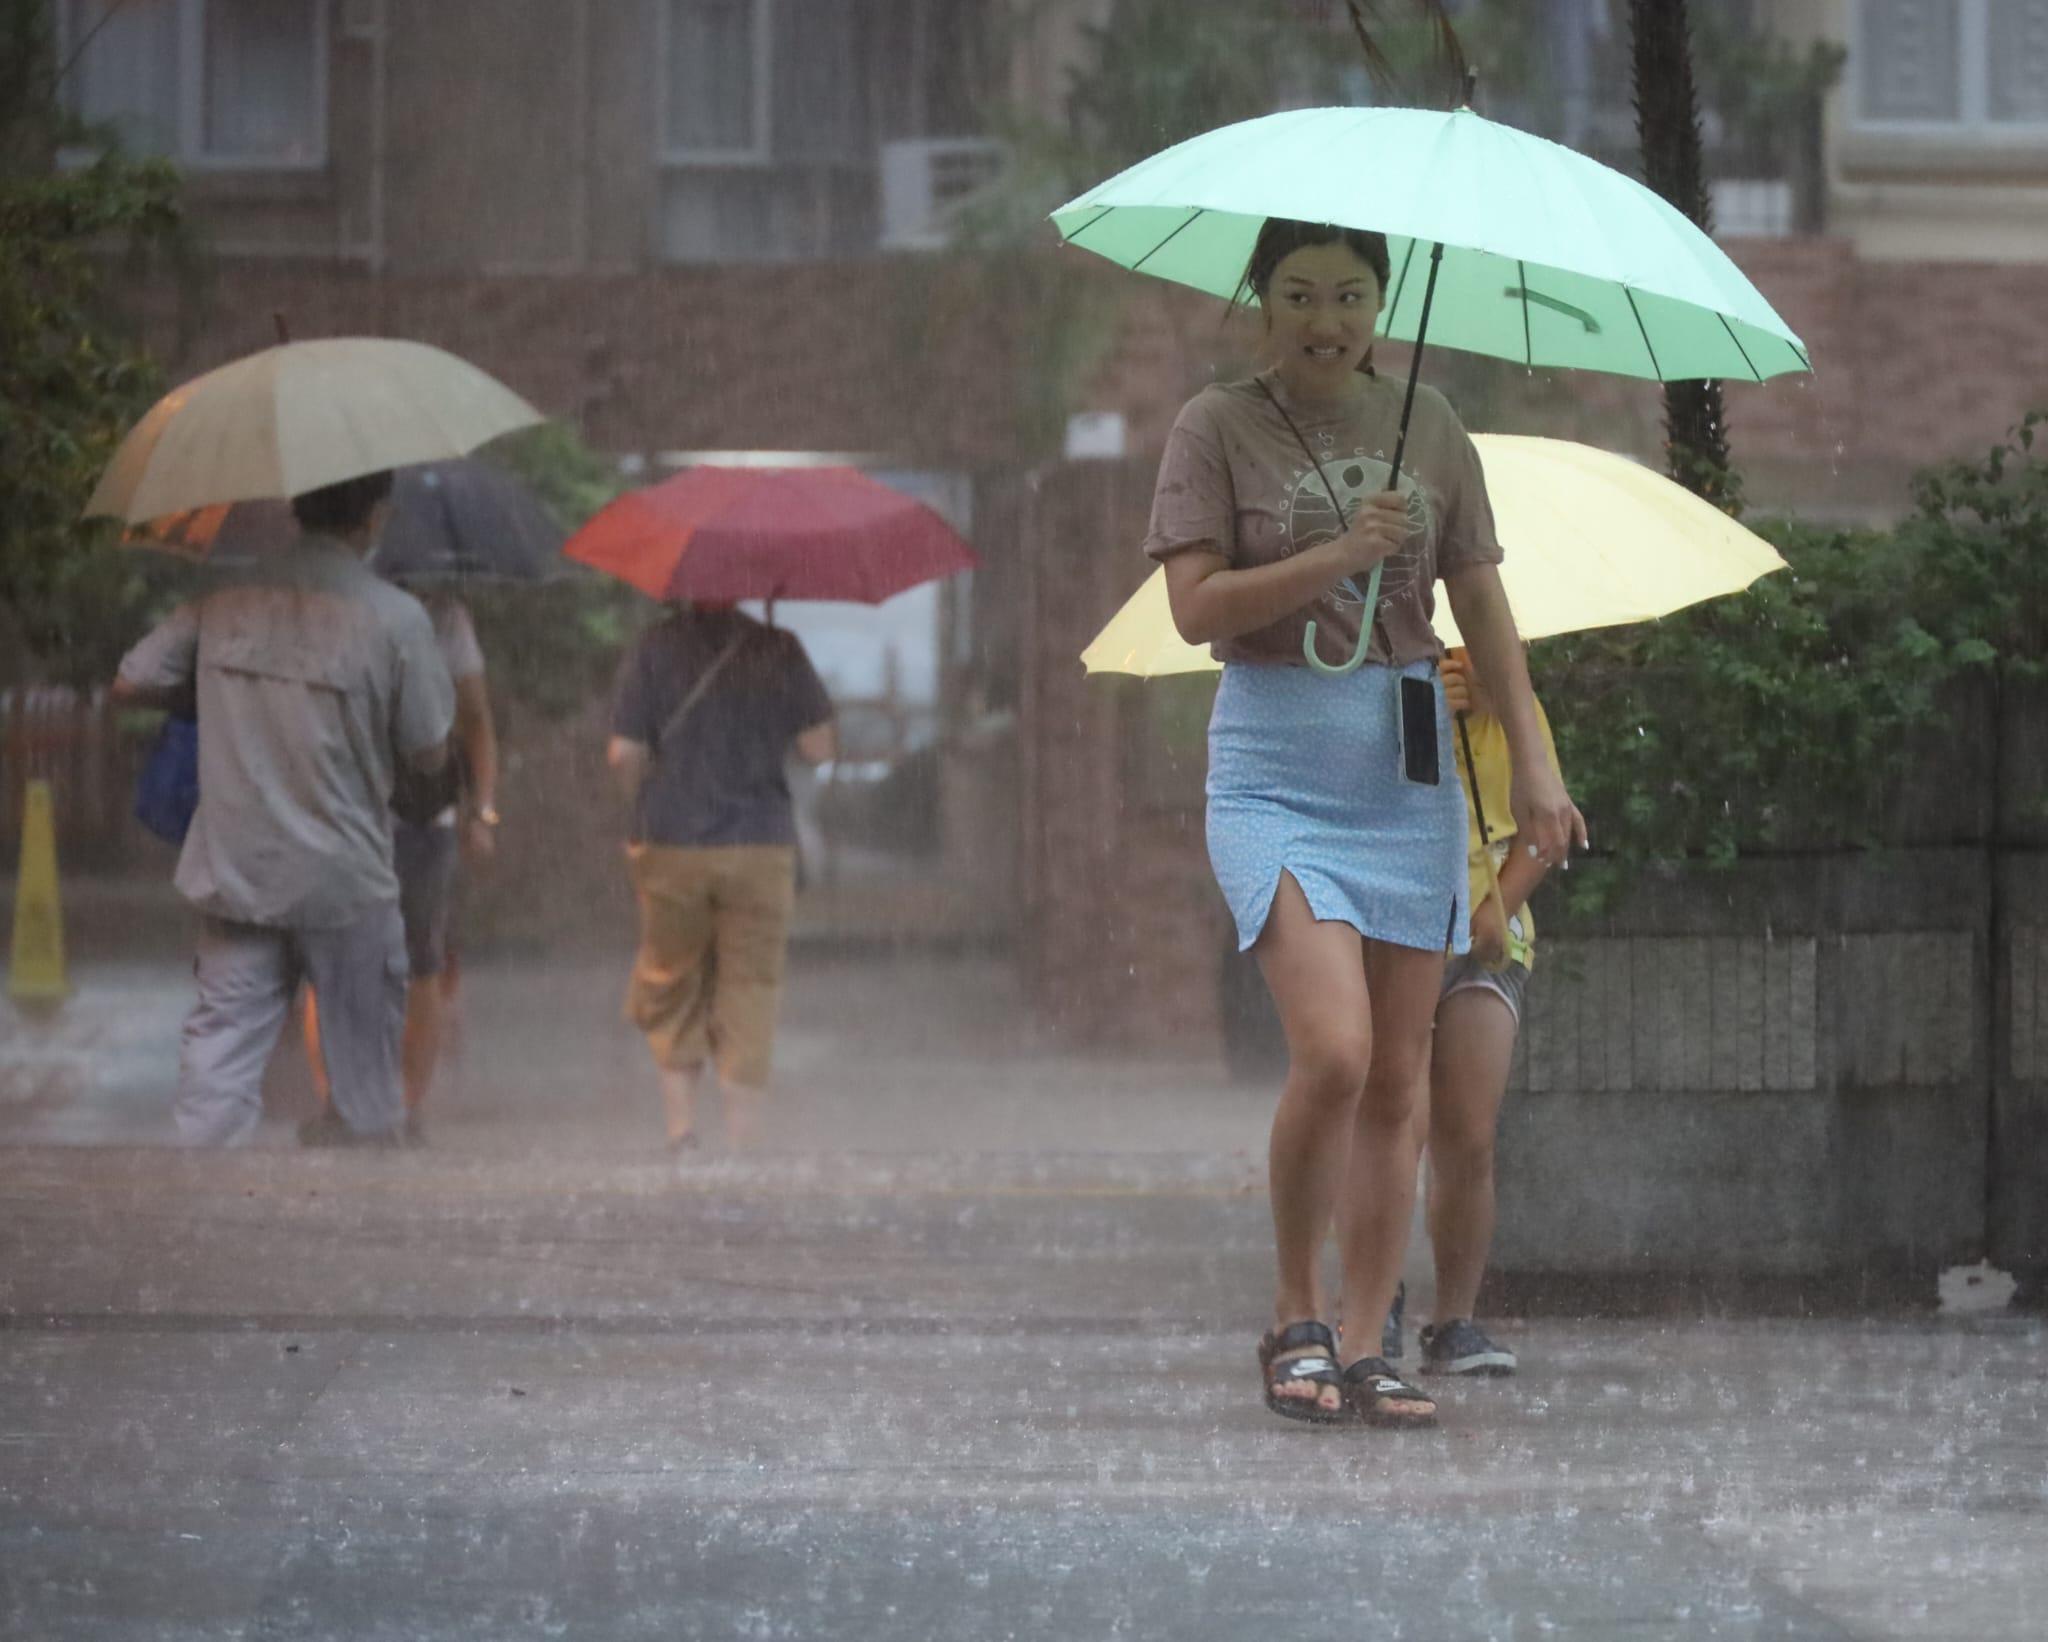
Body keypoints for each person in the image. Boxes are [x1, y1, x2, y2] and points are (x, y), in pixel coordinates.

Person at [1145, 217, 1584, 1428]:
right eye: (1298, 294)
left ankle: (1362, 1336)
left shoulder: (1427, 425)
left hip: (1404, 768)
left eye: (1348, 295)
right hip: (1274, 762)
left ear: (1380, 306)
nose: (1324, 319)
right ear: (1260, 303)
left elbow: (1482, 601)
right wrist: (1340, 549)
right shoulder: (1213, 425)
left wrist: (1533, 761)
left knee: (1399, 1077)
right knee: (1333, 1052)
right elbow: (1193, 611)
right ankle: (1292, 1309)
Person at [112, 470, 454, 1147]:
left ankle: (203, 1231)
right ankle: (362, 1231)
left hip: (240, 872)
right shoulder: (395, 618)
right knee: (366, 1097)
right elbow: (430, 753)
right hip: (345, 881)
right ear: (375, 517)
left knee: (217, 1077)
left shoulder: (227, 599)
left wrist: (213, 698)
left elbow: (131, 681)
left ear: (297, 509)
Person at [1386, 647, 1563, 1378]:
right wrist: (1428, 713)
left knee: (1469, 1134)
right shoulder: (1388, 697)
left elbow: (1546, 826)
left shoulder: (1520, 718)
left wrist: (1501, 904)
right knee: (1398, 1117)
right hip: (1398, 919)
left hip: (1485, 939)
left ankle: (1454, 1319)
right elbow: (1365, 807)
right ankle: (1373, 1298)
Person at [606, 600, 836, 1154]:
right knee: (750, 986)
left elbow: (623, 754)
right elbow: (818, 746)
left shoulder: (654, 648)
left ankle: (682, 1131)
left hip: (673, 839)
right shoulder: (778, 648)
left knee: (671, 979)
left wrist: (643, 803)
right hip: (759, 842)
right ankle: (743, 1139)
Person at [303, 587, 498, 1145]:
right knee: (393, 964)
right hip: (372, 813)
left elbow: (477, 720)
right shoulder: (437, 612)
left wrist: (483, 808)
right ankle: (361, 1104)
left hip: (392, 815)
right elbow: (477, 720)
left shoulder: (422, 610)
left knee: (402, 964)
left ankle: (388, 1106)